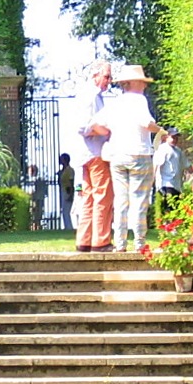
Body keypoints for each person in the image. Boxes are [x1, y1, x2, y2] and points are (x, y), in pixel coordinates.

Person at [96, 63, 160, 253]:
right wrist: (160, 131)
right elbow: (147, 123)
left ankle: (120, 243)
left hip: (118, 155)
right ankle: (139, 242)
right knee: (139, 199)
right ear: (133, 83)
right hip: (139, 153)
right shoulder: (139, 100)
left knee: (121, 200)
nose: (144, 86)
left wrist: (110, 136)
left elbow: (96, 124)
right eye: (142, 82)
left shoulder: (115, 103)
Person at [74, 60, 115, 252]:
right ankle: (101, 240)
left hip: (86, 154)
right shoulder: (91, 96)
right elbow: (84, 126)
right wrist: (108, 132)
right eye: (106, 76)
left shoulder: (90, 95)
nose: (109, 81)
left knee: (89, 196)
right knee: (103, 196)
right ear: (95, 75)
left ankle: (84, 239)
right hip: (96, 153)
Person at [153, 126, 184, 226]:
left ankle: (171, 225)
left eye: (176, 138)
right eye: (173, 137)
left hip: (176, 184)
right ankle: (168, 225)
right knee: (168, 205)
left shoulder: (178, 151)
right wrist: (153, 179)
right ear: (167, 137)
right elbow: (157, 164)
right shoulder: (163, 149)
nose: (175, 140)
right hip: (166, 183)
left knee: (175, 205)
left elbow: (187, 165)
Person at [56, 153, 75, 230]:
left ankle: (69, 227)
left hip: (67, 191)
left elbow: (71, 182)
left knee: (66, 211)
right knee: (64, 210)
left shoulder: (70, 170)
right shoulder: (62, 171)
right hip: (63, 191)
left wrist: (71, 194)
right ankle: (67, 226)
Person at [27, 165, 49, 230]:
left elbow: (32, 191)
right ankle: (36, 227)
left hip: (35, 199)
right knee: (37, 215)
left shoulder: (33, 180)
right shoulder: (40, 180)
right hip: (39, 199)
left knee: (35, 214)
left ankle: (35, 227)